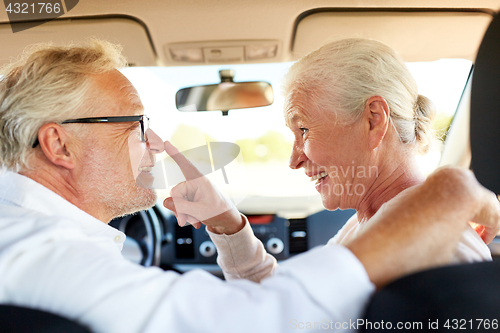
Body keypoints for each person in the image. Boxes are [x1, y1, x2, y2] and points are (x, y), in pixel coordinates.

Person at [0, 40, 498, 333]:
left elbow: (286, 317)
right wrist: (449, 194)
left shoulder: (436, 243)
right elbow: (264, 321)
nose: (155, 144)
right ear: (59, 145)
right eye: (136, 124)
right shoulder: (46, 251)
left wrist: (227, 225)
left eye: (303, 129)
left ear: (373, 120)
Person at [164, 38, 492, 283]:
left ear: (374, 121)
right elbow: (288, 306)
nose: (294, 161)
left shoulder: (439, 251)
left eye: (304, 129)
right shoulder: (369, 222)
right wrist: (228, 224)